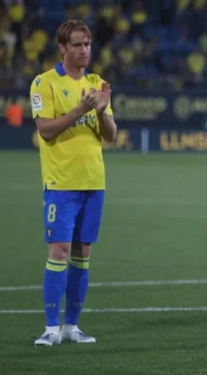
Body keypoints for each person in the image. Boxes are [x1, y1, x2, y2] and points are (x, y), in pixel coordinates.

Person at [30, 19, 117, 346]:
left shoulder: (96, 84)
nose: (84, 50)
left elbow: (110, 136)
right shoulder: (45, 83)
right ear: (62, 48)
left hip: (93, 182)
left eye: (87, 44)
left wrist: (103, 112)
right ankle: (51, 328)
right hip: (61, 182)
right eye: (78, 44)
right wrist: (80, 109)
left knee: (82, 253)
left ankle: (72, 326)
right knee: (60, 250)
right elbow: (45, 130)